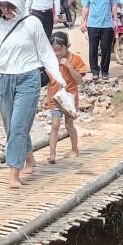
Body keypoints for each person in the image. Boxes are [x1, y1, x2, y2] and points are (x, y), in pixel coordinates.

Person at [0, 0, 70, 189]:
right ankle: (30, 159)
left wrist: (57, 75)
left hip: (28, 78)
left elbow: (44, 52)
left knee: (17, 126)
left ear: (19, 4)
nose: (6, 10)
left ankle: (13, 173)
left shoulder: (32, 23)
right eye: (3, 6)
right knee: (12, 126)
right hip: (5, 79)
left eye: (10, 6)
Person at [78, 0, 123, 81]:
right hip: (92, 24)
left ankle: (105, 71)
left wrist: (115, 20)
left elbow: (114, 5)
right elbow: (86, 7)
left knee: (106, 49)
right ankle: (94, 71)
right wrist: (83, 22)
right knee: (93, 48)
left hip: (107, 24)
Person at [46, 31, 84, 163]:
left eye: (60, 49)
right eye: (54, 50)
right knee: (55, 124)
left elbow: (79, 80)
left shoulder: (75, 59)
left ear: (67, 46)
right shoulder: (49, 61)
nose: (57, 53)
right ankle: (52, 154)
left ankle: (74, 149)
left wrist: (68, 66)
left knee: (69, 125)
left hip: (69, 98)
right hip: (54, 98)